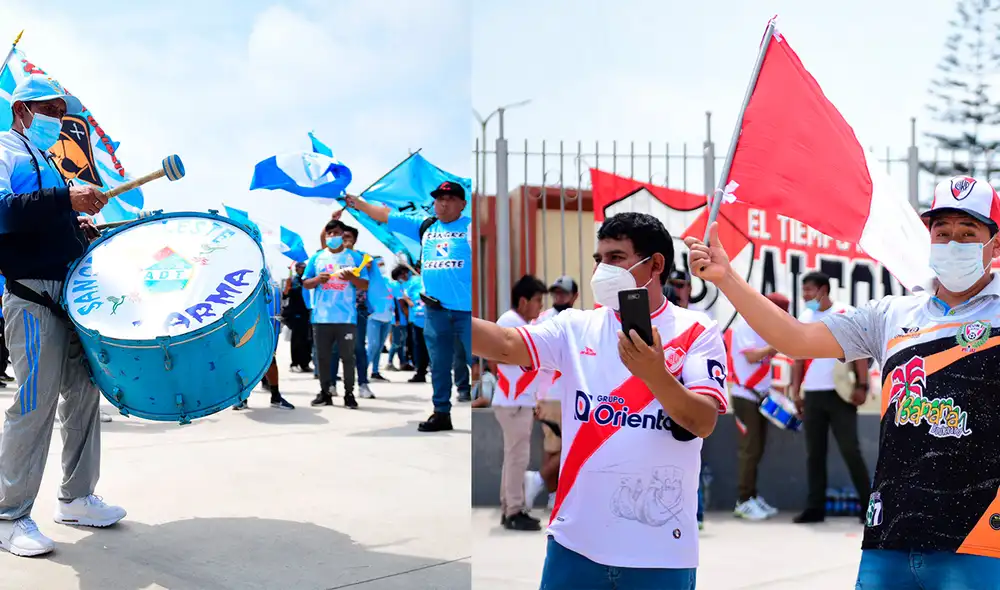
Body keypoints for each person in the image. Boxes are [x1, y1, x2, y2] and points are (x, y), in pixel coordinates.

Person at [685, 176, 1000, 588]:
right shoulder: (891, 314)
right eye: (942, 232)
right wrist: (728, 279)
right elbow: (794, 338)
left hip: (979, 541)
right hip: (889, 537)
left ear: (994, 244)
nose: (952, 242)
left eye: (967, 232)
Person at [473, 212, 727, 590]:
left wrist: (654, 373)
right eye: (598, 259)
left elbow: (702, 421)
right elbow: (508, 345)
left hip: (659, 554)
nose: (601, 269)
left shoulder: (697, 332)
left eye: (615, 258)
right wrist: (451, 314)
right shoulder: (575, 326)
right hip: (576, 545)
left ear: (655, 264)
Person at [0, 74, 128, 557]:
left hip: (70, 291)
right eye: (50, 110)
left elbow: (46, 214)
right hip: (32, 295)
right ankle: (9, 515)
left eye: (60, 110)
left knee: (83, 394)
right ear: (23, 111)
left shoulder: (49, 162)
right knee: (33, 405)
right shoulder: (4, 150)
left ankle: (76, 497)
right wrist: (64, 200)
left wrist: (76, 218)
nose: (57, 119)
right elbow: (3, 212)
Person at [345, 181, 471, 433]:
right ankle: (441, 412)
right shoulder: (425, 226)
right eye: (438, 199)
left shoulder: (470, 226)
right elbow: (387, 216)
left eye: (449, 198)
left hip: (469, 312)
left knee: (477, 360)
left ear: (462, 204)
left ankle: (488, 404)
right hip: (436, 310)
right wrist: (358, 204)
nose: (443, 203)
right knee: (439, 364)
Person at [788, 271, 871, 524]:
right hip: (813, 394)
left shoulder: (844, 313)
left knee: (850, 450)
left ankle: (868, 507)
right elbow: (797, 357)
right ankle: (815, 509)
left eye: (809, 290)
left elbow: (859, 353)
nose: (805, 296)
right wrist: (796, 390)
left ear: (823, 290)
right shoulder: (804, 317)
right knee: (815, 453)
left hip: (840, 393)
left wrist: (863, 385)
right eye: (803, 291)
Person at [729, 292, 789, 521]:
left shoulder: (765, 329)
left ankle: (752, 496)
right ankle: (742, 501)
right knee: (749, 450)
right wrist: (775, 345)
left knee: (758, 449)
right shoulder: (746, 325)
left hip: (762, 398)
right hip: (745, 396)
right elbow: (752, 357)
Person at [493, 275, 547, 532]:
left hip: (516, 400)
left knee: (513, 457)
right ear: (523, 301)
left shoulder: (518, 323)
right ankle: (514, 510)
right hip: (513, 402)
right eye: (537, 301)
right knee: (517, 458)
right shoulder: (512, 324)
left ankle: (510, 507)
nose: (539, 306)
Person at [303, 219, 369, 409]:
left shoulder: (354, 258)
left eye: (336, 233)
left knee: (348, 357)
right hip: (321, 318)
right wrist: (317, 279)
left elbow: (365, 284)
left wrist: (352, 278)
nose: (333, 237)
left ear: (343, 235)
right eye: (329, 234)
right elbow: (306, 282)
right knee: (323, 358)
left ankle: (349, 394)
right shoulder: (317, 258)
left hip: (346, 318)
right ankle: (325, 392)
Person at [527, 275, 580, 512]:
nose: (559, 296)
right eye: (556, 292)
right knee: (567, 448)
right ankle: (540, 480)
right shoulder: (546, 320)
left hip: (565, 393)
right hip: (552, 394)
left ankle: (553, 495)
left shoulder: (578, 321)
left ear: (574, 296)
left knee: (554, 448)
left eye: (563, 293)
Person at [329, 225, 374, 399]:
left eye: (348, 237)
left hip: (357, 310)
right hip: (334, 311)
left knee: (358, 348)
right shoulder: (330, 257)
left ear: (354, 239)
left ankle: (363, 384)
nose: (344, 240)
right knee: (334, 350)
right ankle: (331, 384)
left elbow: (367, 280)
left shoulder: (361, 258)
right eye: (342, 236)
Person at [366, 257, 394, 383]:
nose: (381, 267)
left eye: (383, 264)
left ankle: (375, 371)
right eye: (379, 264)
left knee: (379, 347)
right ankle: (362, 371)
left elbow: (396, 298)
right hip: (373, 317)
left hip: (387, 318)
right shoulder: (368, 280)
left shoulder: (389, 281)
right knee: (373, 345)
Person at [283, 261, 313, 373]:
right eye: (301, 268)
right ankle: (294, 363)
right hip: (296, 314)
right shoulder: (293, 281)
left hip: (307, 313)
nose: (303, 269)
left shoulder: (308, 280)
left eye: (304, 268)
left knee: (307, 339)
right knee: (297, 340)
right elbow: (285, 295)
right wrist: (287, 286)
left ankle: (305, 363)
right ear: (296, 269)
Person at [405, 268, 430, 384]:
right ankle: (420, 372)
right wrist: (409, 302)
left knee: (434, 348)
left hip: (432, 320)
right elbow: (405, 294)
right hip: (417, 320)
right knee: (419, 348)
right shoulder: (414, 281)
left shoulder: (434, 279)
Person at [387, 265, 413, 371]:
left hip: (397, 318)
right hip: (398, 319)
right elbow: (400, 302)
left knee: (401, 343)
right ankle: (389, 362)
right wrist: (406, 316)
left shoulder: (397, 285)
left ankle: (403, 362)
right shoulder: (396, 285)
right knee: (397, 342)